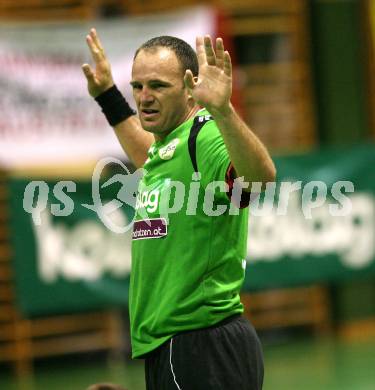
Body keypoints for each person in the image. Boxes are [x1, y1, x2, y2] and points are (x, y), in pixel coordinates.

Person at [82, 28, 276, 390]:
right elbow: (150, 158)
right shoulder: (170, 145)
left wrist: (223, 110)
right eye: (137, 86)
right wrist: (109, 96)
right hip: (179, 346)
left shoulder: (204, 136)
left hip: (200, 343)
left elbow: (260, 179)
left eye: (158, 86)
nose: (144, 97)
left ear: (190, 88)